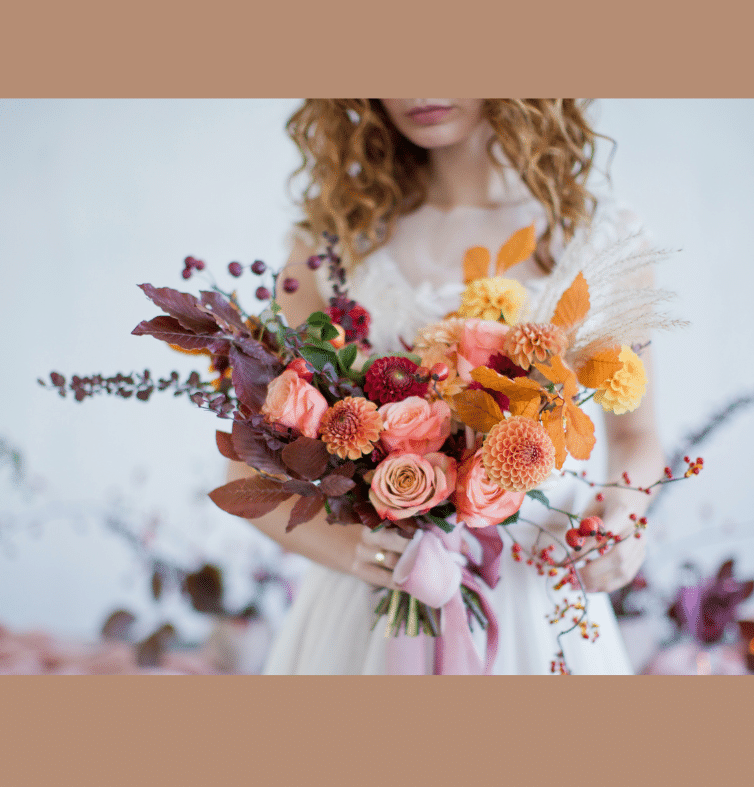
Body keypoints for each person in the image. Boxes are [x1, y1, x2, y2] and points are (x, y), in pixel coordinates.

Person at [229, 99, 668, 674]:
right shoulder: (331, 244)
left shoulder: (602, 237)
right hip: (371, 606)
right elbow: (248, 468)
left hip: (537, 587)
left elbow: (637, 433)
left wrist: (621, 521)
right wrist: (352, 549)